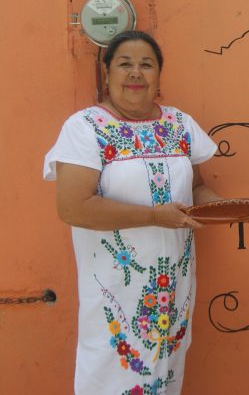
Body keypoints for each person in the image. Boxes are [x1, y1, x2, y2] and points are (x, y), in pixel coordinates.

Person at [43, 30, 221, 395]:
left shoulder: (179, 125)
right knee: (112, 375)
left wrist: (224, 208)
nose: (136, 73)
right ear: (106, 74)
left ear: (159, 75)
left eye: (146, 64)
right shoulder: (84, 128)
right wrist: (155, 216)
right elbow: (74, 207)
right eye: (125, 64)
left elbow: (197, 186)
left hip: (174, 288)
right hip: (117, 293)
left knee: (167, 373)